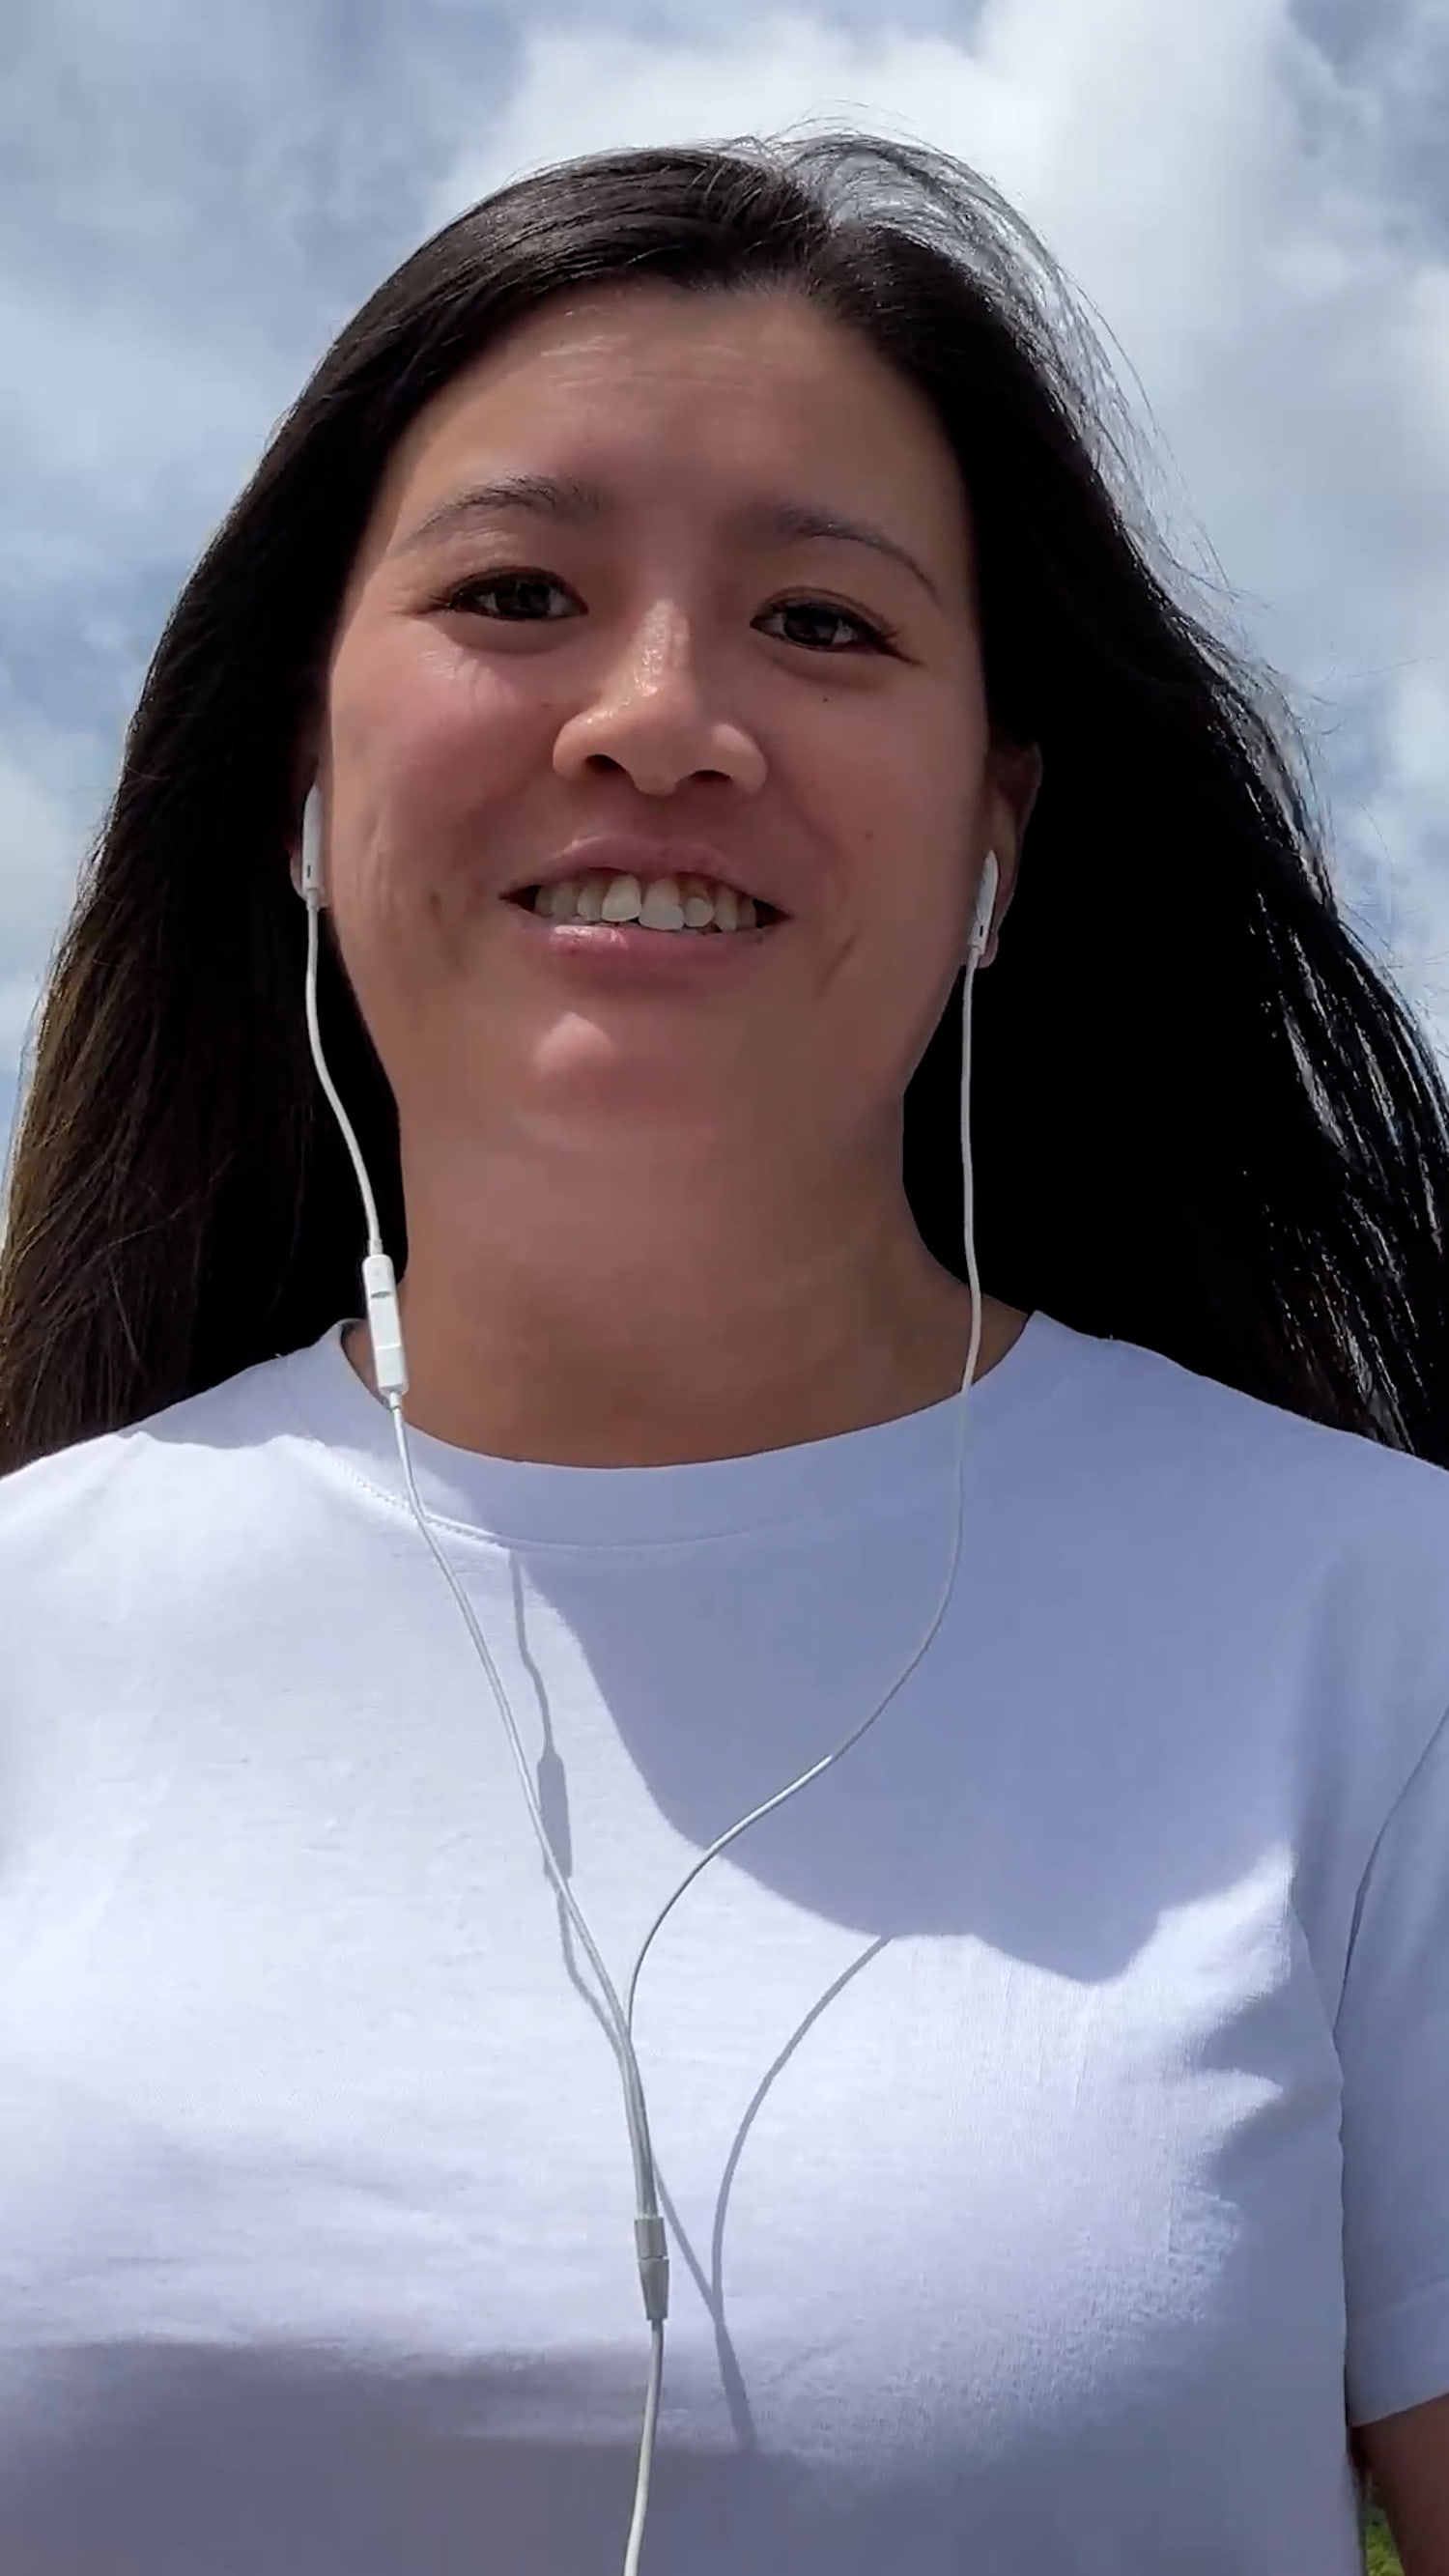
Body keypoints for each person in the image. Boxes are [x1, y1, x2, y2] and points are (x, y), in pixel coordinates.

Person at [0, 129, 1446, 2576]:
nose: (661, 719)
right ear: (304, 779)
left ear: (997, 833)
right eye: (518, 591)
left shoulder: (1384, 1634)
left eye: (823, 623)